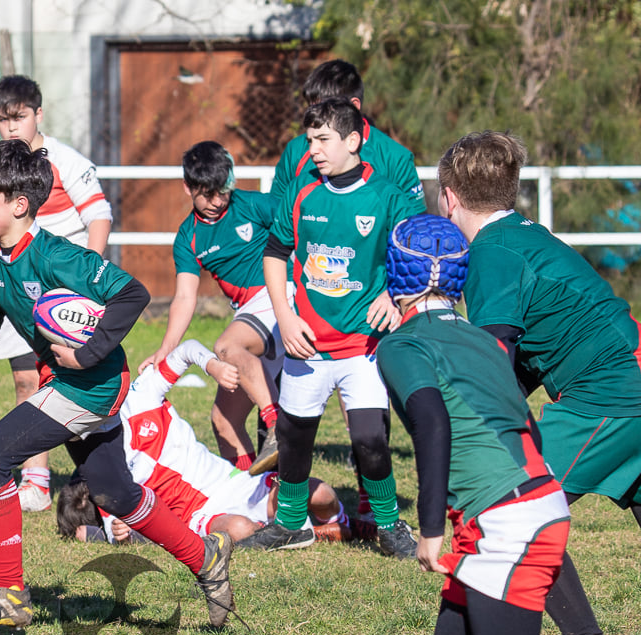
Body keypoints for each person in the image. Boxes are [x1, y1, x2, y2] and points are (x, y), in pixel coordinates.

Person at [376, 212, 641, 635]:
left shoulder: (403, 344)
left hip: (507, 520)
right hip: (527, 508)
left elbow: (432, 426)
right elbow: (527, 423)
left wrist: (429, 527)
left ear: (393, 275)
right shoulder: (484, 341)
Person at [0, 139, 236, 631]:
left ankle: (9, 592)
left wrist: (87, 351)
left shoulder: (57, 256)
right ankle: (207, 556)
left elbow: (131, 293)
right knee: (115, 494)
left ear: (18, 206)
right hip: (64, 380)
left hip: (94, 384)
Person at [441, 130, 641, 635]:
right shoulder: (523, 234)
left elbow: (496, 359)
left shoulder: (489, 254)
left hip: (620, 392)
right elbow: (531, 351)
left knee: (508, 506)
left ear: (449, 196)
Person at [254, 98, 419, 556]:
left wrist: (393, 296)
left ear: (353, 140)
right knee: (293, 438)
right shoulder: (301, 193)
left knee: (369, 440)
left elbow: (416, 256)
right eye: (310, 140)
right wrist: (285, 318)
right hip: (307, 343)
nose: (314, 150)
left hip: (363, 347)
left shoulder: (388, 197)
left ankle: (387, 525)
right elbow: (274, 254)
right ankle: (290, 524)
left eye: (323, 139)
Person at [59, 339, 362, 547]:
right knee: (240, 529)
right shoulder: (101, 454)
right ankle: (325, 533)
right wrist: (109, 533)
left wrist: (213, 366)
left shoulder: (141, 394)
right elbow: (119, 527)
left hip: (237, 483)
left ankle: (336, 524)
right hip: (200, 514)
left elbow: (187, 350)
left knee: (321, 494)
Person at [0, 75, 115, 512]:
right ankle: (36, 476)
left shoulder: (64, 161)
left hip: (63, 293)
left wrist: (83, 284)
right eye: (3, 119)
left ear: (38, 114)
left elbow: (99, 215)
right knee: (25, 379)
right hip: (19, 288)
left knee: (77, 384)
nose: (12, 127)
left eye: (20, 117)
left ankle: (112, 476)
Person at [140, 142, 288, 473]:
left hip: (282, 297)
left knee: (226, 346)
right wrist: (166, 349)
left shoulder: (253, 205)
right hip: (251, 314)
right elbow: (185, 296)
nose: (218, 201)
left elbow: (305, 229)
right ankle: (253, 500)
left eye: (223, 192)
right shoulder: (189, 237)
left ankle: (278, 426)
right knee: (224, 421)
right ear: (188, 187)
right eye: (208, 194)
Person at [270, 58, 425, 207]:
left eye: (323, 110)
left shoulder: (394, 158)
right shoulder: (297, 151)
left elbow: (413, 225)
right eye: (312, 109)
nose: (315, 117)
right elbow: (275, 212)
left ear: (354, 107)